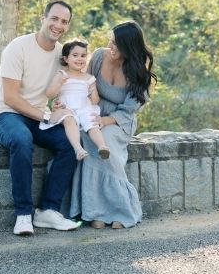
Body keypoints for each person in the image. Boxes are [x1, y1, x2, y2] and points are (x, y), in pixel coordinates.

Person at [0, 0, 84, 236]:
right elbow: (10, 97)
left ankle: (47, 211)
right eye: (54, 18)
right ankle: (23, 214)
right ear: (43, 18)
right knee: (21, 139)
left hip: (38, 117)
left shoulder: (63, 55)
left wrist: (60, 106)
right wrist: (47, 115)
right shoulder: (18, 47)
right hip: (6, 115)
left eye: (64, 21)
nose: (58, 25)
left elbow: (59, 90)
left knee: (71, 144)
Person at [67, 20, 156, 229]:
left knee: (105, 141)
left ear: (129, 46)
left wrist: (104, 121)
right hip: (92, 114)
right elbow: (82, 83)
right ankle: (93, 212)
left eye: (116, 44)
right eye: (111, 41)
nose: (111, 46)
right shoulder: (99, 56)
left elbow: (128, 110)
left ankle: (123, 210)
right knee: (85, 138)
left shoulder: (139, 73)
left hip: (119, 122)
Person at [40, 39, 109, 160]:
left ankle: (102, 146)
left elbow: (95, 100)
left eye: (83, 55)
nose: (80, 59)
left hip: (84, 107)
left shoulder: (89, 78)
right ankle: (78, 148)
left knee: (92, 123)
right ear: (66, 59)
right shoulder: (62, 74)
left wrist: (93, 94)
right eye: (75, 55)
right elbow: (49, 94)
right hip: (67, 108)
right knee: (69, 120)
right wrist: (59, 84)